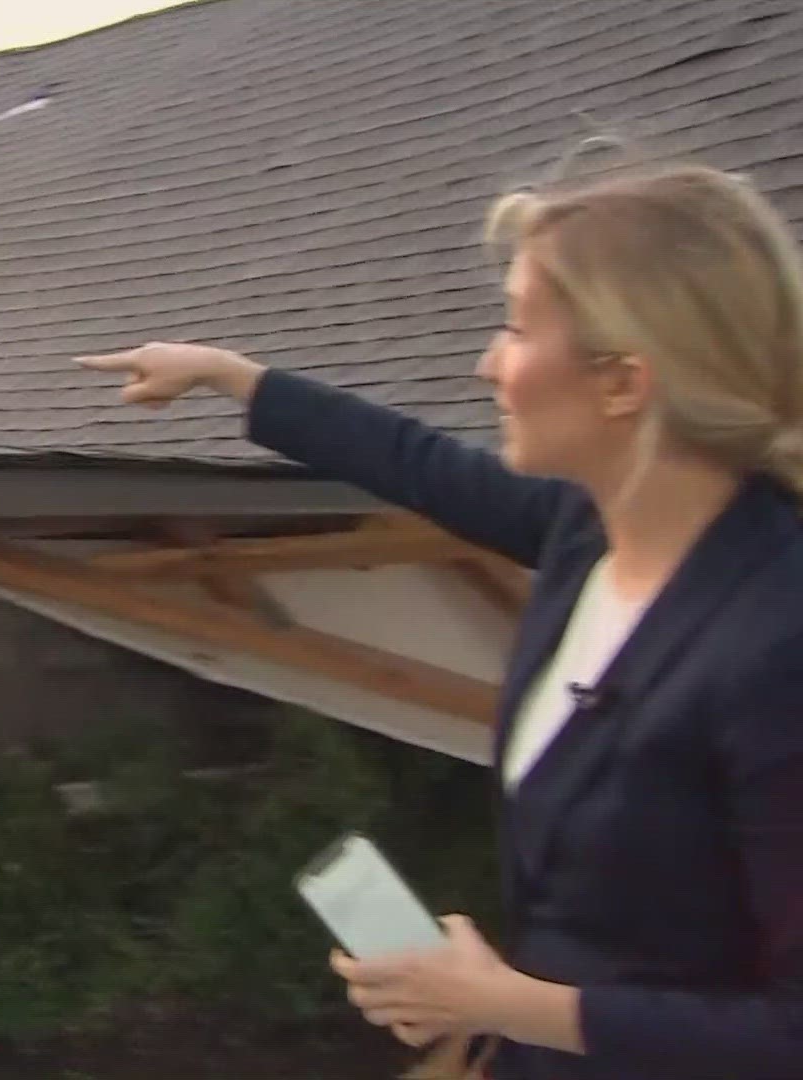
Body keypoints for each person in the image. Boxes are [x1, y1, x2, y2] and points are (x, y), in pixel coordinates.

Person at [76, 157, 803, 1080]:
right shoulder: (587, 528)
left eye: (517, 326)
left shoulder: (778, 648)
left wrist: (503, 1003)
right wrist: (233, 380)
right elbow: (415, 462)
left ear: (623, 383)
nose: (486, 361)